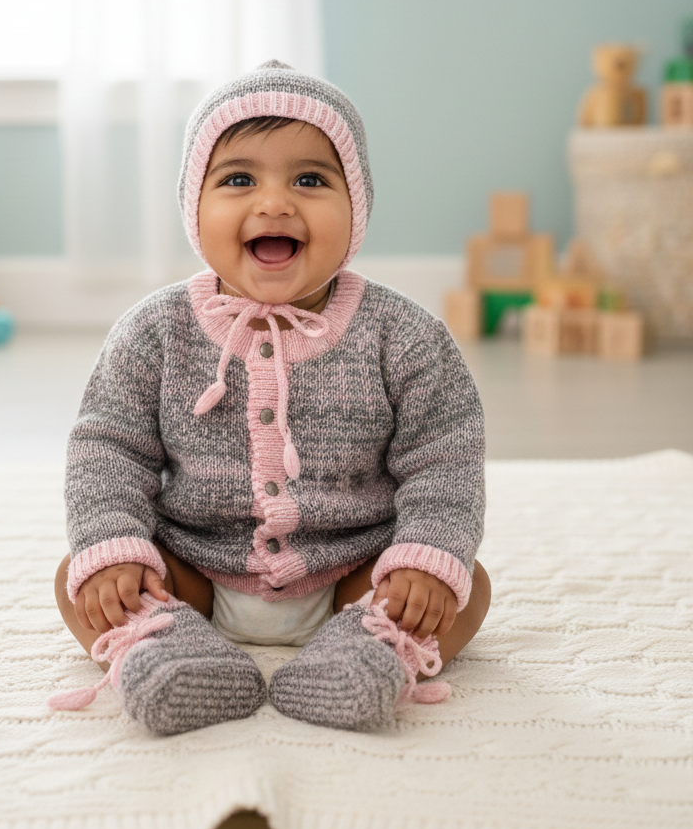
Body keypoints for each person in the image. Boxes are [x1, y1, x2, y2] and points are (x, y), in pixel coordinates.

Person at [51, 60, 491, 734]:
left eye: (311, 179)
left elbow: (444, 462)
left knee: (465, 586)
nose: (274, 203)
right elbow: (107, 448)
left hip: (354, 571)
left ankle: (367, 654)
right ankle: (168, 653)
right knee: (80, 576)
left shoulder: (404, 336)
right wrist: (111, 546)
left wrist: (424, 557)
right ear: (195, 208)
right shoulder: (153, 331)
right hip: (194, 568)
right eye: (238, 180)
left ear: (358, 206)